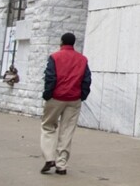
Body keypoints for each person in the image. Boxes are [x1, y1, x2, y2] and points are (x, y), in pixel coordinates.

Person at [40, 32, 91, 175]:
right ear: (73, 43)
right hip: (74, 99)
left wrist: (47, 94)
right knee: (67, 131)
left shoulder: (55, 57)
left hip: (56, 97)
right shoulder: (82, 59)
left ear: (62, 42)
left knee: (48, 126)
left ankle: (49, 157)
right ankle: (61, 164)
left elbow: (50, 77)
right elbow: (87, 80)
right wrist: (82, 95)